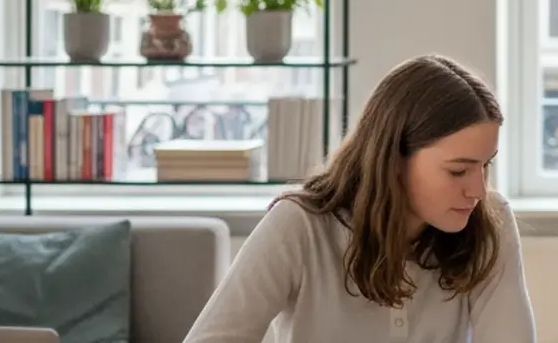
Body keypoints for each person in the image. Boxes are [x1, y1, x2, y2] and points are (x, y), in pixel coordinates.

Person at [185, 54, 535, 343]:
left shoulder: (491, 222)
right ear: (395, 159)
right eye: (458, 171)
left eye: (485, 166)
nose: (477, 189)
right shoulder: (300, 225)